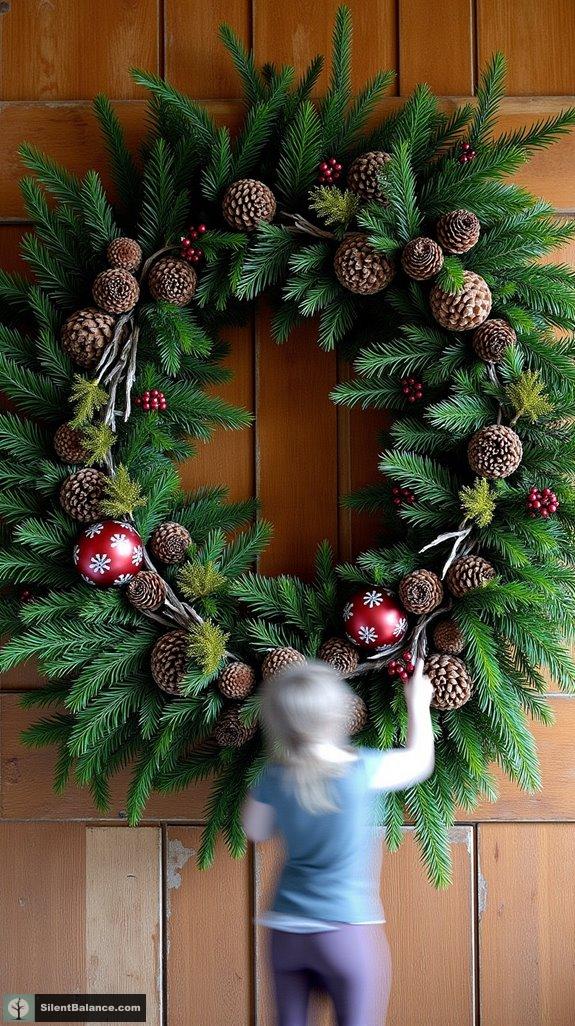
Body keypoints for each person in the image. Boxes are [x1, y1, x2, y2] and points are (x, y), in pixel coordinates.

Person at [241, 655, 435, 1026]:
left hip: (286, 930)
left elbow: (256, 830)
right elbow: (419, 761)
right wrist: (417, 704)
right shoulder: (363, 770)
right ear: (337, 713)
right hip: (346, 931)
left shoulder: (273, 777)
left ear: (278, 722)